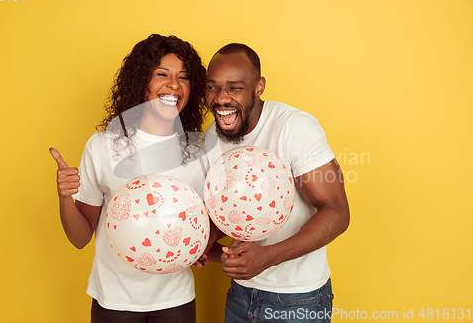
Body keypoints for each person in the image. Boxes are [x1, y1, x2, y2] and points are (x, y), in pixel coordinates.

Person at [49, 34, 212, 323]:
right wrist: (64, 198)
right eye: (162, 74)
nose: (173, 85)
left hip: (176, 299)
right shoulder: (103, 146)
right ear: (141, 82)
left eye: (183, 78)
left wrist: (202, 246)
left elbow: (205, 223)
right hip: (114, 301)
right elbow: (80, 237)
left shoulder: (198, 150)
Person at [204, 43, 350, 323]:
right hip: (240, 294)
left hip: (298, 300)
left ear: (258, 87)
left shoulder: (295, 128)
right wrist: (201, 244)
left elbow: (337, 212)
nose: (221, 98)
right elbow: (225, 208)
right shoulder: (212, 135)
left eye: (234, 87)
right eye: (213, 87)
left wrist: (267, 256)